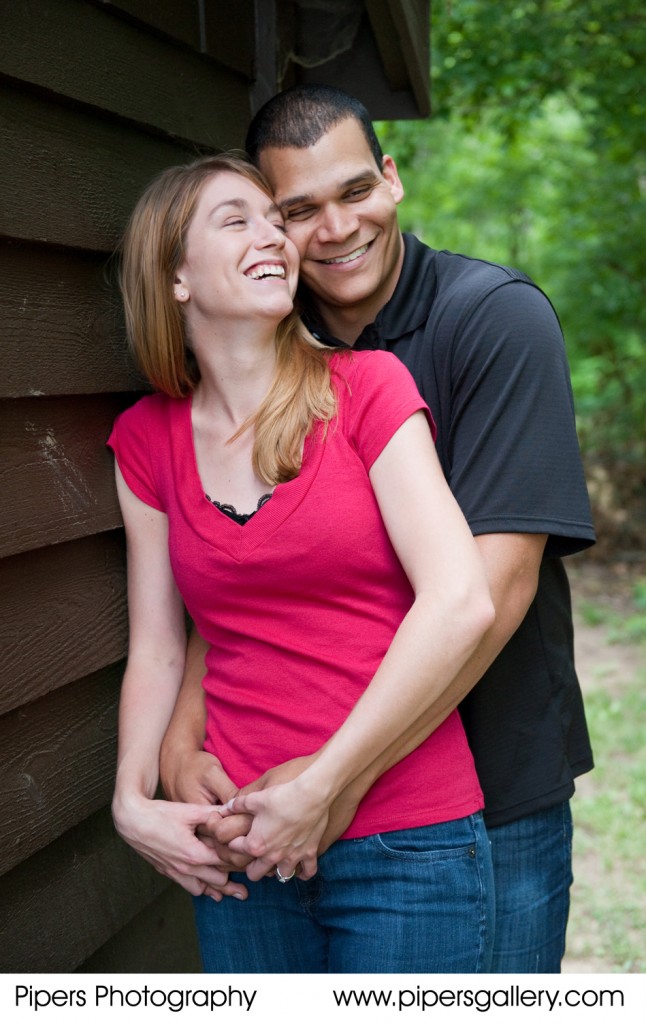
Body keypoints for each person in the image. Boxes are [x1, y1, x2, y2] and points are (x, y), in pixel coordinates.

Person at [159, 86, 596, 974]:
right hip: (292, 798)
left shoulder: (496, 320)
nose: (336, 228)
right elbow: (249, 566)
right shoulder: (272, 341)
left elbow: (494, 590)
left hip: (493, 782)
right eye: (299, 209)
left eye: (355, 191)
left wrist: (334, 782)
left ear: (393, 181)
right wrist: (182, 733)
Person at [108, 152, 498, 973]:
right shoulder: (147, 438)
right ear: (175, 277)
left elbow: (460, 598)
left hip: (405, 840)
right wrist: (131, 799)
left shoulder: (367, 388)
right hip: (241, 853)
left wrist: (323, 784)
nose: (275, 237)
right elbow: (159, 645)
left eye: (271, 218)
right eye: (235, 219)